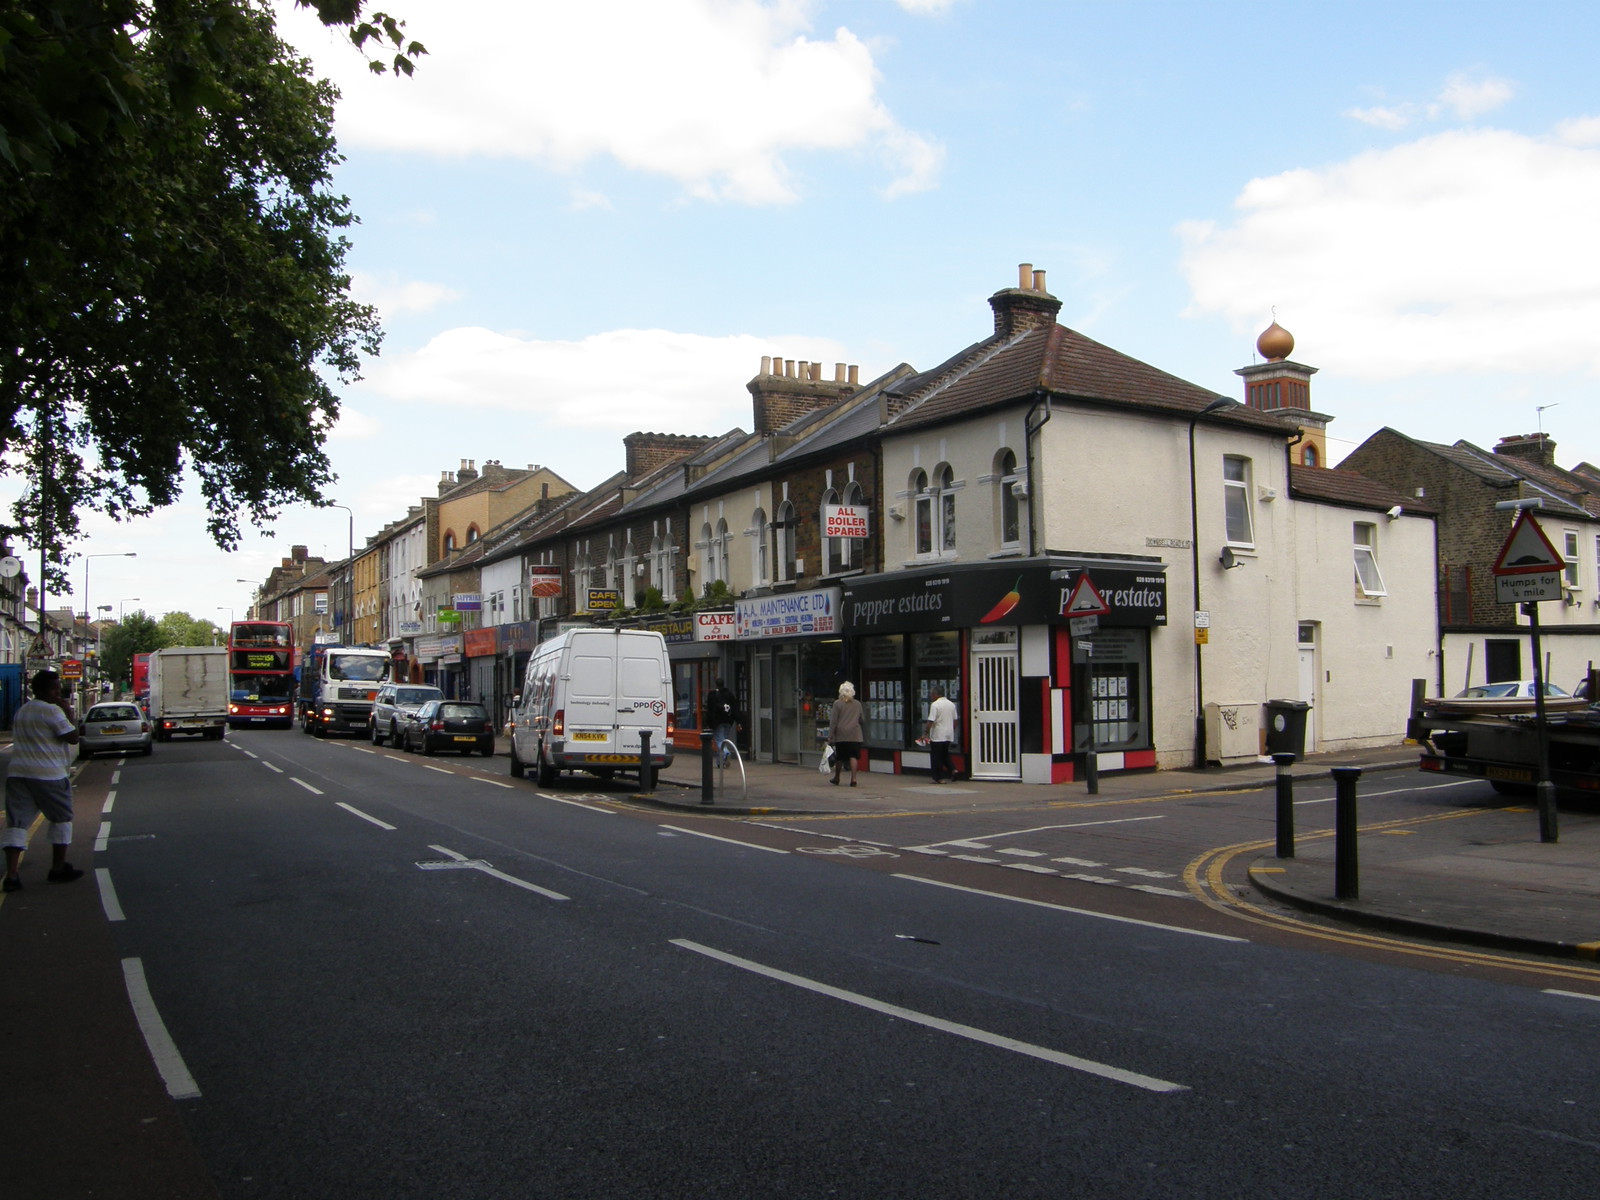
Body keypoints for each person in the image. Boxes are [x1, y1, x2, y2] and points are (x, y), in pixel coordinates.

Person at [2, 670, 84, 893]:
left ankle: (11, 876)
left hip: (18, 774)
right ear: (40, 690)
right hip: (49, 775)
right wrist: (69, 712)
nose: (58, 693)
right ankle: (58, 868)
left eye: (59, 688)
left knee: (17, 822)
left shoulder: (22, 711)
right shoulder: (52, 711)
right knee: (61, 819)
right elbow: (73, 737)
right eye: (54, 689)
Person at [827, 681, 865, 787]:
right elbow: (862, 719)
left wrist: (830, 735)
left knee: (840, 757)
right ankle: (853, 779)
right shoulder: (857, 704)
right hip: (855, 734)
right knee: (853, 756)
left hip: (841, 734)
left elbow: (833, 721)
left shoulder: (837, 704)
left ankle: (837, 777)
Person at [924, 684, 958, 783]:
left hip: (938, 734)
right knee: (945, 754)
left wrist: (926, 732)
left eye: (931, 694)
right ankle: (953, 770)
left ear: (935, 694)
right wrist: (951, 729)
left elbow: (931, 720)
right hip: (948, 734)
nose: (931, 696)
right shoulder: (951, 704)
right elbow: (955, 721)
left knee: (936, 757)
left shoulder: (935, 705)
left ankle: (938, 777)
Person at [705, 678, 739, 766]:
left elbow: (710, 710)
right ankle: (720, 762)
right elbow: (735, 708)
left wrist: (708, 723)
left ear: (716, 684)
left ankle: (726, 753)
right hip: (728, 721)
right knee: (724, 739)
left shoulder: (713, 695)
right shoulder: (729, 694)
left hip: (717, 722)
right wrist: (737, 721)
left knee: (719, 740)